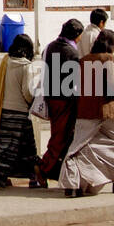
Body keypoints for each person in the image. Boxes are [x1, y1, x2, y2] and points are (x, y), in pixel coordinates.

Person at [59, 29, 114, 197]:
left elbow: (77, 87)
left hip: (85, 110)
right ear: (112, 45)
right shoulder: (110, 60)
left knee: (76, 147)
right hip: (107, 110)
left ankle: (72, 185)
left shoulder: (83, 61)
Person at [0, 34, 42, 191]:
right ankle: (34, 178)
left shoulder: (6, 61)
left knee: (1, 148)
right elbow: (27, 92)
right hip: (20, 114)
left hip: (3, 112)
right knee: (27, 149)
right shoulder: (26, 66)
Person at [33, 18, 85, 188]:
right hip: (65, 99)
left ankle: (53, 169)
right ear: (76, 35)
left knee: (59, 134)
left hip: (51, 96)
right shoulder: (72, 53)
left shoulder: (49, 47)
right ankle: (43, 167)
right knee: (60, 137)